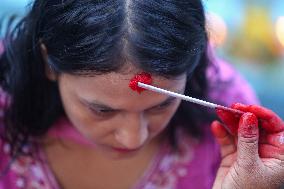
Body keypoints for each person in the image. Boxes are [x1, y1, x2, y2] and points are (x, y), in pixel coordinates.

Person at [0, 0, 283, 188]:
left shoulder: (225, 111)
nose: (133, 138)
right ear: (48, 63)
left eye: (162, 105)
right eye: (102, 110)